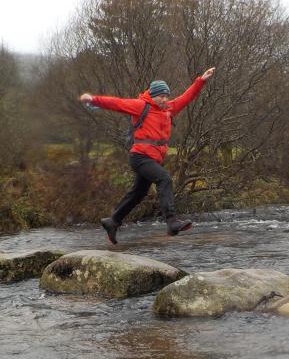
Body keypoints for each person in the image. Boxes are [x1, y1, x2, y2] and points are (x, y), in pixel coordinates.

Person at [79, 67, 216, 244]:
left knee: (138, 193)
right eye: (161, 96)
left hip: (152, 159)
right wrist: (94, 100)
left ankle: (113, 221)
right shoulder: (141, 106)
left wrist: (201, 80)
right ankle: (172, 221)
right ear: (153, 95)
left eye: (166, 96)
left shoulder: (169, 109)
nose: (164, 99)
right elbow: (117, 103)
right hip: (140, 157)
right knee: (164, 178)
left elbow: (187, 97)